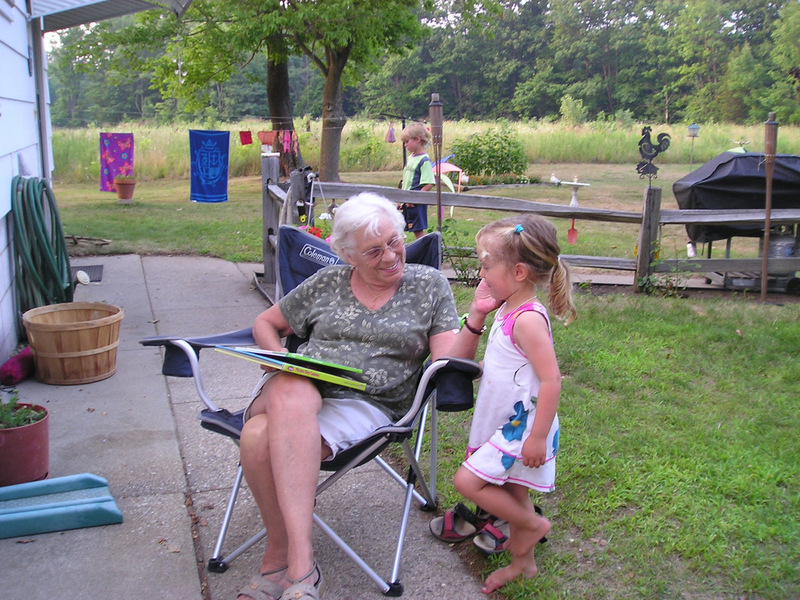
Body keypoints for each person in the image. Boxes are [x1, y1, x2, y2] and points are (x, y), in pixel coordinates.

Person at [237, 192, 470, 600]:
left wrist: (478, 320)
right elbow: (265, 322)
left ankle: (278, 557)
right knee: (294, 384)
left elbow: (446, 361)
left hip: (369, 403)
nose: (390, 256)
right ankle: (301, 565)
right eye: (373, 250)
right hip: (291, 389)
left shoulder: (428, 285)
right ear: (347, 255)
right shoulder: (327, 281)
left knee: (257, 438)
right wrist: (277, 359)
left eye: (394, 242)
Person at [444, 214, 577, 594]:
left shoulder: (528, 319)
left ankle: (533, 525)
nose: (481, 273)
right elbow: (511, 364)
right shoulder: (507, 308)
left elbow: (551, 380)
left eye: (487, 265)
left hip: (522, 426)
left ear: (518, 272)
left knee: (467, 480)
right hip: (506, 417)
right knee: (514, 492)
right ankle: (524, 564)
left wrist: (536, 439)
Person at [399, 122, 436, 239]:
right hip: (406, 201)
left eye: (407, 141)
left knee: (418, 231)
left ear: (418, 139)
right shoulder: (410, 158)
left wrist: (416, 198)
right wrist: (401, 199)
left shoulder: (424, 160)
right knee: (398, 225)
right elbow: (406, 181)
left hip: (416, 204)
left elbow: (429, 183)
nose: (405, 145)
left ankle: (423, 252)